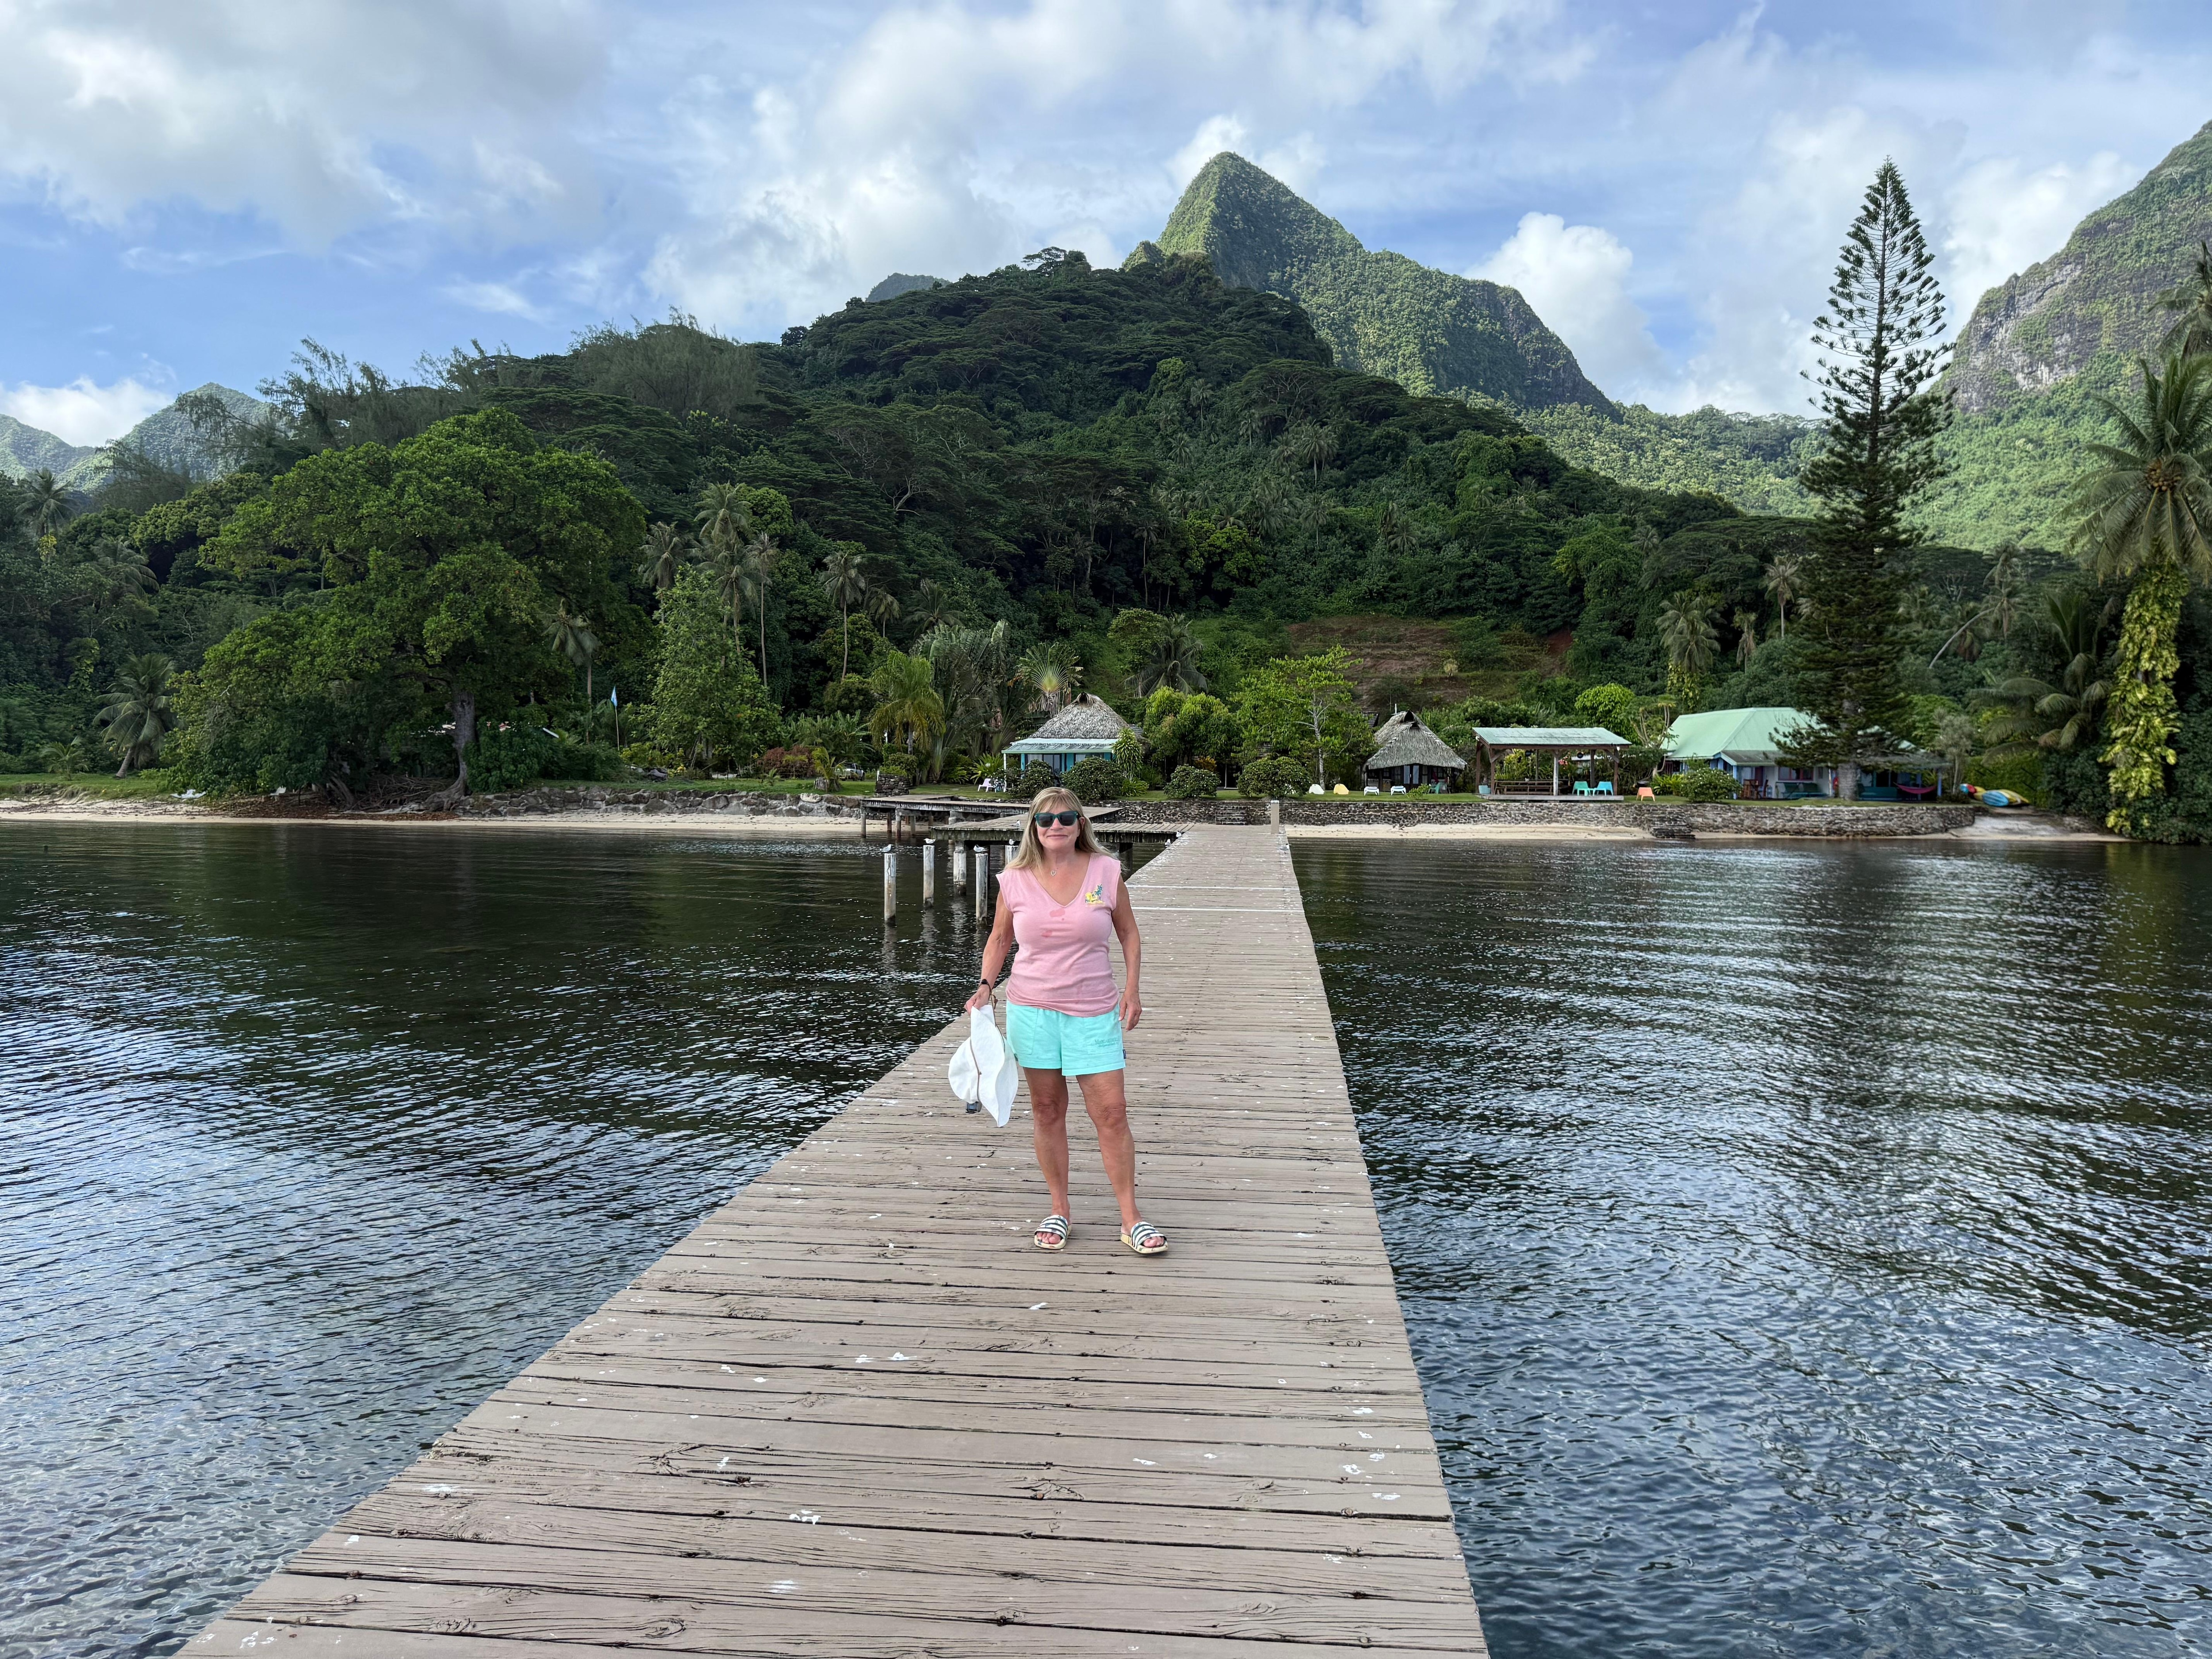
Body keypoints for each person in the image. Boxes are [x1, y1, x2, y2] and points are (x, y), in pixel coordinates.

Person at [966, 785, 1163, 1255]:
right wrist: (985, 986)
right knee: (1048, 1110)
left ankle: (1130, 1217)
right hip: (1031, 1010)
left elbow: (1129, 935)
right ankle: (1059, 1209)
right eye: (1045, 819)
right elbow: (999, 939)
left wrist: (1131, 989)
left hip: (1094, 1010)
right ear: (1033, 826)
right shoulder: (1014, 879)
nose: (1056, 826)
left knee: (1111, 1114)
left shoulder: (1105, 871)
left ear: (1080, 824)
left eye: (1066, 818)